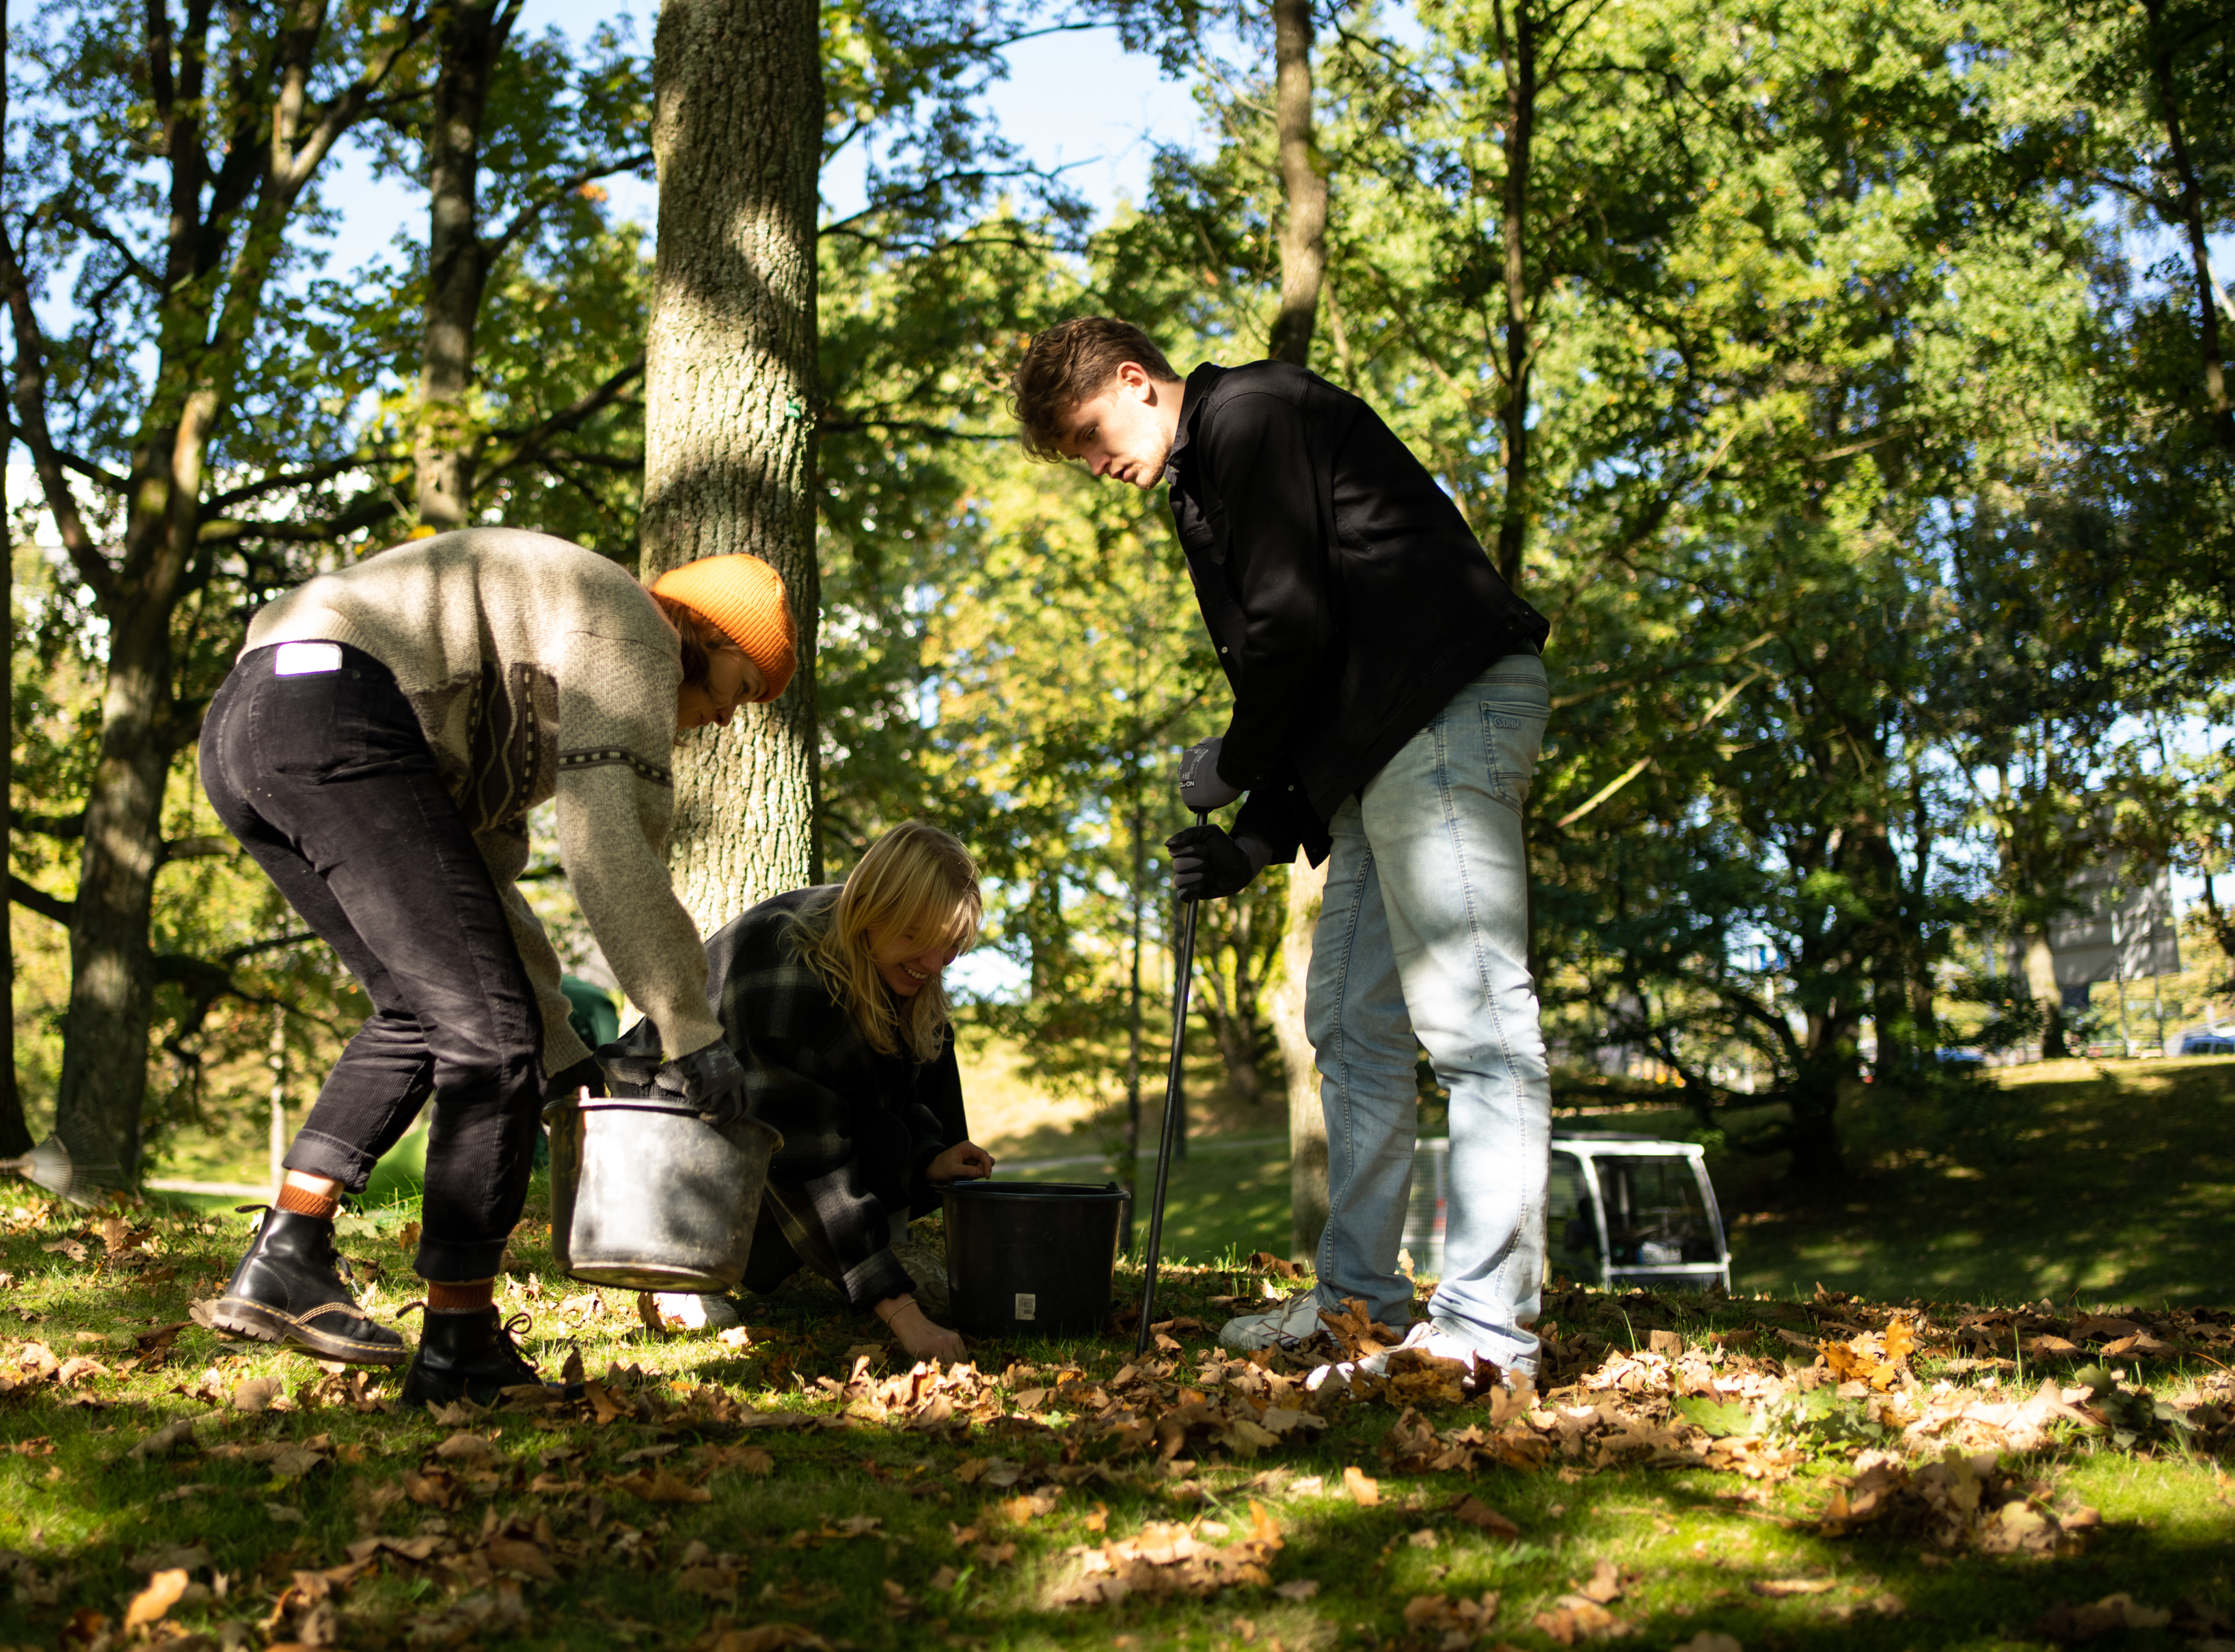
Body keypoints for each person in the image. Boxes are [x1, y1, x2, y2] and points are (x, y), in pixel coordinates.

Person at [1011, 317, 1554, 1381]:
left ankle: (1491, 1332)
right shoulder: (1203, 476)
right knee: (1351, 1026)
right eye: (1075, 456)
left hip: (1446, 716)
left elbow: (1291, 630)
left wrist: (1236, 759)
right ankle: (1361, 1303)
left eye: (1087, 433)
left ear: (1136, 380)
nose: (1094, 464)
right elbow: (1323, 676)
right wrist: (1254, 841)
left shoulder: (1252, 414)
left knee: (1478, 1025)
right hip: (1381, 745)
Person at [196, 530, 798, 1404]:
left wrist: (567, 1061)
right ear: (706, 635)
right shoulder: (636, 635)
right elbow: (610, 846)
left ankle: (286, 1256)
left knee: (420, 1010)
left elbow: (482, 890)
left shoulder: (537, 674)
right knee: (488, 1042)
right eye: (744, 688)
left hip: (253, 725)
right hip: (335, 709)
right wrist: (687, 1027)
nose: (726, 719)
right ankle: (459, 1349)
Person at [608, 820, 995, 1366]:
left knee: (931, 1044)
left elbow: (872, 1100)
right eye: (915, 938)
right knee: (788, 1157)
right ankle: (679, 1268)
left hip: (757, 1117)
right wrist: (906, 1318)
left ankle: (882, 1245)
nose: (933, 964)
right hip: (668, 1139)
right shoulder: (794, 978)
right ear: (873, 909)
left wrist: (928, 1160)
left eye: (950, 946)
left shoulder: (891, 957)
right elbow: (806, 1165)